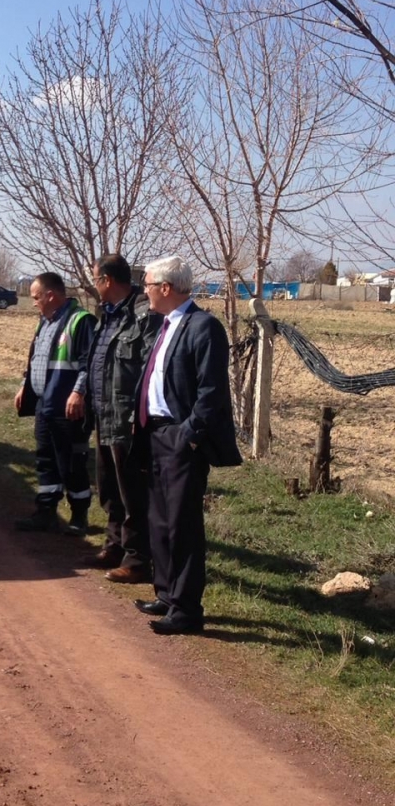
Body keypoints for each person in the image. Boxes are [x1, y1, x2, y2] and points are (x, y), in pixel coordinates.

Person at [133, 255, 242, 635]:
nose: (143, 289)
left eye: (147, 284)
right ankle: (166, 594)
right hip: (154, 435)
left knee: (183, 525)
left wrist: (189, 436)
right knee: (159, 520)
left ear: (165, 288)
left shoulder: (203, 327)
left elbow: (212, 392)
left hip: (181, 439)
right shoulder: (163, 325)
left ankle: (186, 610)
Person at [67, 253, 159, 585]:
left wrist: (139, 414)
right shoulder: (107, 315)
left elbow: (150, 369)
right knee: (108, 488)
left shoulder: (143, 314)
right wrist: (81, 391)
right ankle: (115, 547)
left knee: (131, 491)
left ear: (107, 280)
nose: (93, 286)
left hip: (126, 420)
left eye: (95, 280)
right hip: (104, 416)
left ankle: (137, 560)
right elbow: (95, 361)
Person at [14, 272, 96, 534]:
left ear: (51, 295)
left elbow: (89, 364)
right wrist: (24, 386)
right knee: (45, 460)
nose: (34, 302)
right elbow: (37, 359)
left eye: (36, 297)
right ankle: (46, 512)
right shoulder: (45, 322)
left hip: (68, 408)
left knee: (71, 461)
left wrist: (78, 393)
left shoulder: (81, 321)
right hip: (44, 405)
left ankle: (79, 516)